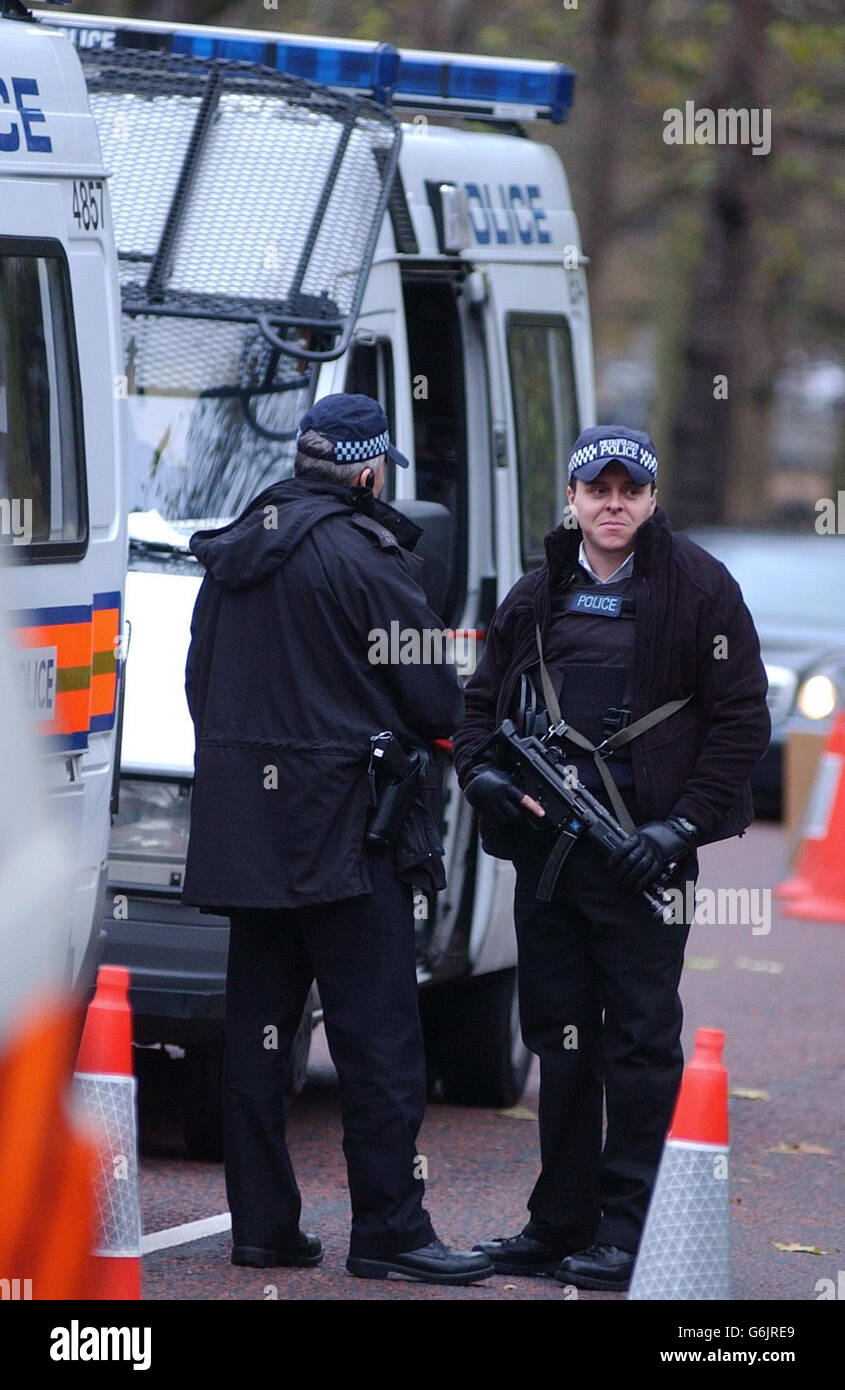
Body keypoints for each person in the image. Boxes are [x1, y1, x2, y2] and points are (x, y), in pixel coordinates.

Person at [182, 393, 493, 1287]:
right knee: (379, 1042)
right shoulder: (369, 557)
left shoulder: (235, 547)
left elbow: (201, 683)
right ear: (369, 467)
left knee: (259, 1038)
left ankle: (263, 1229)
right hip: (350, 836)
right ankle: (389, 1230)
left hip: (248, 834)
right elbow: (436, 699)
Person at [453, 424, 771, 1291]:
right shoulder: (535, 592)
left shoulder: (700, 588)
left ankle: (627, 1234)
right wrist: (478, 777)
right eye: (598, 489)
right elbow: (478, 710)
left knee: (637, 1046)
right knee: (560, 1042)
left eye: (630, 490)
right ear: (572, 497)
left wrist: (680, 831)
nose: (613, 504)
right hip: (550, 861)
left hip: (645, 863)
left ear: (652, 499)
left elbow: (742, 721)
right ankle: (556, 1225)